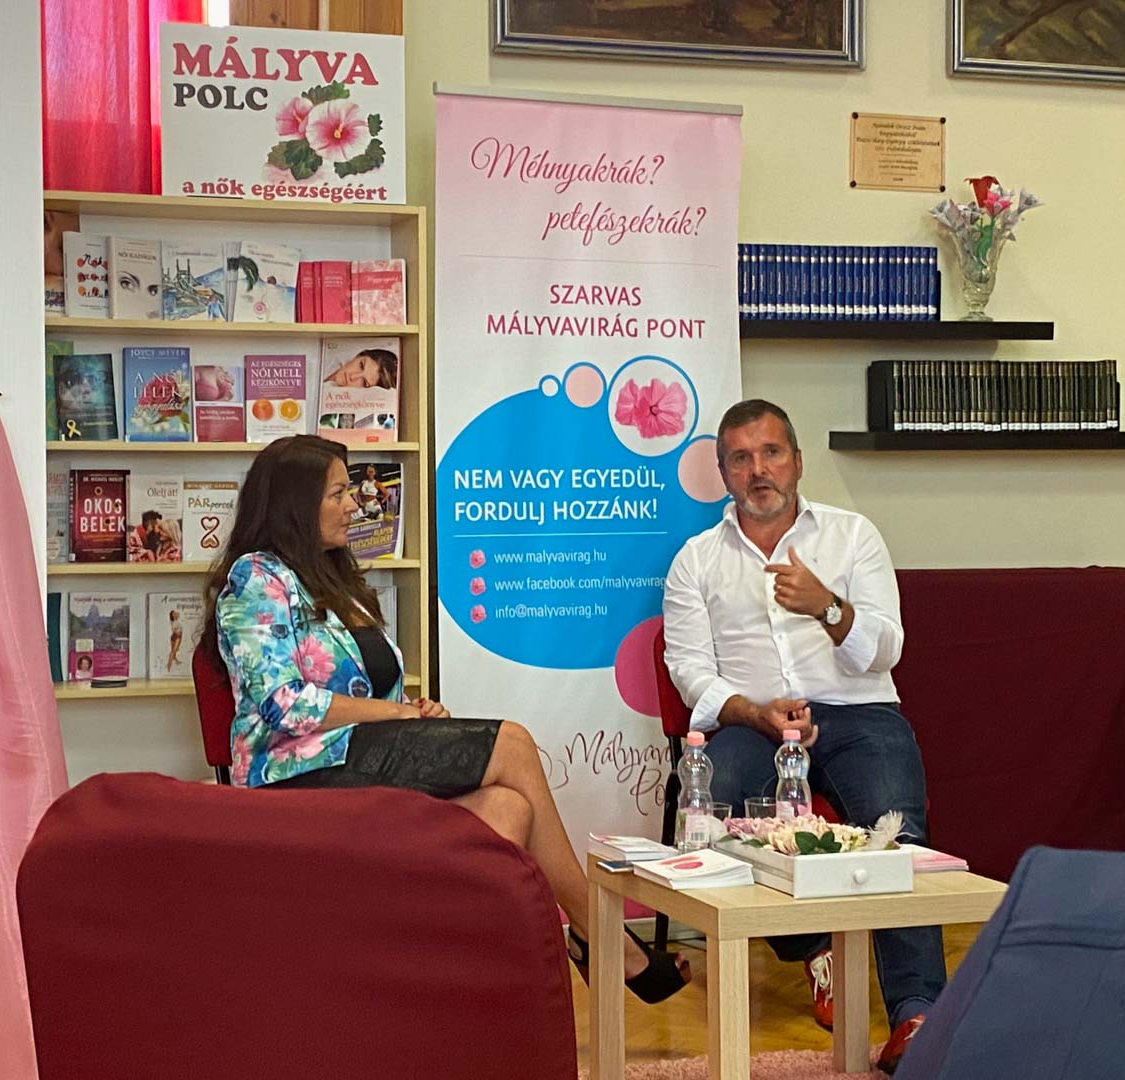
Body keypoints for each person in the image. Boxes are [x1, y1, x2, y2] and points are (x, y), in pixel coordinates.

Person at [200, 434, 688, 1004]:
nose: (354, 505)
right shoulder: (256, 577)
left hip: (358, 757)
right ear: (296, 505)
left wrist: (412, 708)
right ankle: (602, 937)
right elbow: (281, 702)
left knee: (509, 809)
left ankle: (452, 984)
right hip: (292, 776)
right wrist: (394, 714)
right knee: (511, 743)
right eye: (337, 494)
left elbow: (371, 684)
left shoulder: (334, 578)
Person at [661, 399, 942, 1075]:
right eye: (741, 458)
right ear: (724, 473)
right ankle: (816, 947)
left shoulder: (852, 536)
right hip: (754, 720)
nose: (758, 470)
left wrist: (828, 607)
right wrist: (753, 713)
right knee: (718, 801)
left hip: (856, 713)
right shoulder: (696, 561)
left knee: (898, 828)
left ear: (797, 461)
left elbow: (887, 650)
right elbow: (689, 670)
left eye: (771, 453)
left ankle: (918, 1014)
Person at [324, 348, 399, 390]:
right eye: (361, 365)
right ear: (358, 356)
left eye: (364, 383)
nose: (352, 376)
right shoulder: (325, 359)